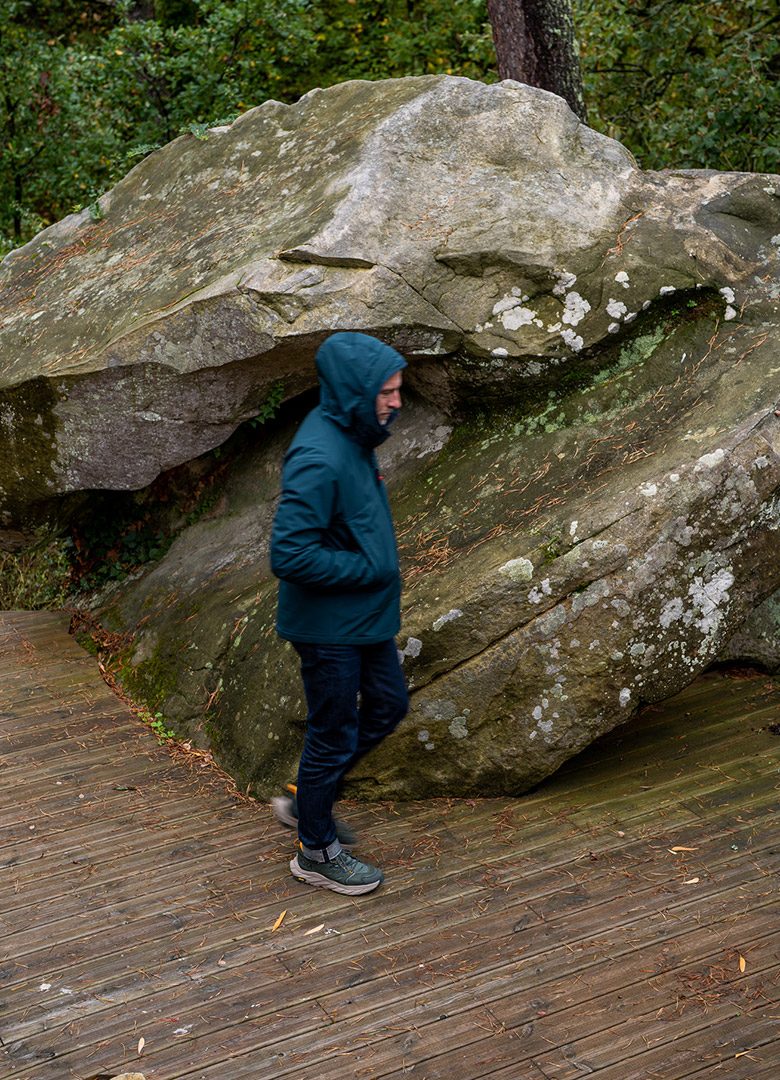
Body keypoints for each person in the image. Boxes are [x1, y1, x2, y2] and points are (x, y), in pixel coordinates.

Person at [269, 331, 409, 895]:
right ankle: (316, 851)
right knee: (333, 731)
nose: (396, 402)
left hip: (362, 620)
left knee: (388, 705)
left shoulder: (354, 432)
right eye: (388, 392)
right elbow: (289, 553)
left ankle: (308, 803)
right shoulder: (317, 456)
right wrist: (367, 569)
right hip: (328, 629)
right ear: (357, 391)